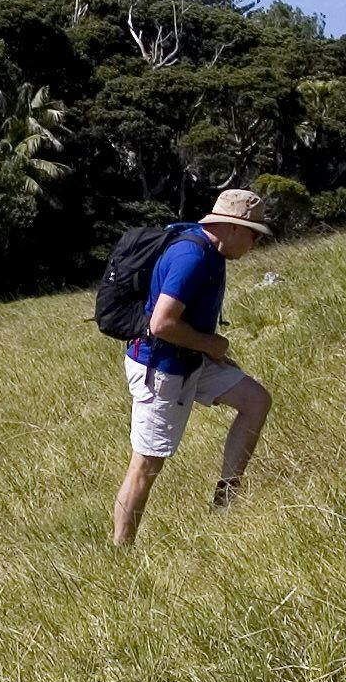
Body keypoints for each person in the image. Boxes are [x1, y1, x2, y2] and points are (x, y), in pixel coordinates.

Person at [111, 186, 282, 545]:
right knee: (146, 465)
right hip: (161, 368)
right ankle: (120, 552)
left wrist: (210, 352)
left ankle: (226, 498)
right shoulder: (192, 257)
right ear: (233, 227)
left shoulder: (210, 249)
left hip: (190, 360)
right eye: (253, 235)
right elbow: (161, 323)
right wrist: (212, 344)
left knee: (255, 400)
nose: (255, 244)